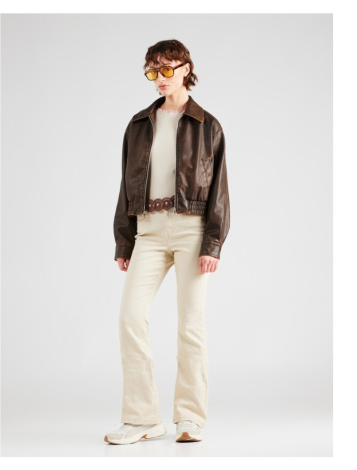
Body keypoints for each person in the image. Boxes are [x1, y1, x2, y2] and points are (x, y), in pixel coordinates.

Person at [104, 39, 230, 445]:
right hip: (148, 230)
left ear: (185, 68)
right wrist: (124, 241)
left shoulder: (207, 125)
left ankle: (190, 417)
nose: (159, 78)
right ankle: (142, 418)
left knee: (190, 324)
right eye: (152, 71)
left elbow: (220, 191)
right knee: (130, 317)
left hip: (192, 228)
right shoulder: (139, 124)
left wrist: (212, 243)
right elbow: (126, 185)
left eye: (167, 68)